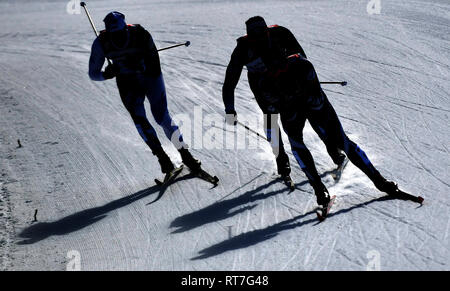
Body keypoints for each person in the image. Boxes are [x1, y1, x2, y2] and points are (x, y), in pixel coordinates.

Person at [257, 53, 399, 208]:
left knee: (340, 140)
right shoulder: (265, 82)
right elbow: (271, 111)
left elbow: (316, 100)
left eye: (281, 65)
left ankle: (379, 181)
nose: (278, 70)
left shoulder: (302, 65)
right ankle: (319, 190)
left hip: (312, 103)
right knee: (297, 143)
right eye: (274, 69)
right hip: (291, 110)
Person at [222, 16, 345, 179]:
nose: (259, 40)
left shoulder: (280, 33)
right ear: (249, 37)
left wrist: (304, 78)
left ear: (267, 31)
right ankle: (281, 159)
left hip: (286, 78)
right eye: (254, 37)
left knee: (307, 109)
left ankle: (331, 147)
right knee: (271, 117)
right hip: (263, 87)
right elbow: (230, 82)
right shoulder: (242, 50)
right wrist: (229, 109)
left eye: (262, 35)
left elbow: (301, 56)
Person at [88, 11, 201, 175]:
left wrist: (138, 65)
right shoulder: (101, 42)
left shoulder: (140, 33)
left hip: (150, 77)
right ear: (107, 31)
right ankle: (163, 158)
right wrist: (106, 74)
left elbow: (154, 62)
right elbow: (93, 74)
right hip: (127, 83)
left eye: (120, 33)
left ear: (126, 27)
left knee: (161, 116)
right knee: (140, 120)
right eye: (114, 34)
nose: (118, 37)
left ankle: (186, 155)